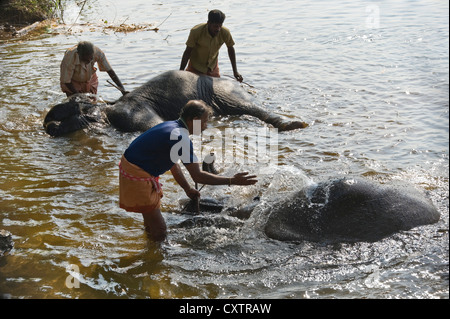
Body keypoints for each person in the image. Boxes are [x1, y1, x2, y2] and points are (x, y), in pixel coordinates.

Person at [119, 100, 257, 242]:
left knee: (151, 221)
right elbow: (198, 176)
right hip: (138, 174)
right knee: (160, 231)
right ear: (194, 120)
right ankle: (156, 258)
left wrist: (187, 188)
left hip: (131, 168)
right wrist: (232, 181)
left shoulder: (172, 126)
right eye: (204, 122)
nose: (205, 126)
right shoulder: (181, 138)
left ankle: (149, 245)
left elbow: (173, 164)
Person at [180, 10, 243, 82]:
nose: (218, 29)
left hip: (212, 67)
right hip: (195, 68)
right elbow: (187, 52)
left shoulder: (225, 32)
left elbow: (231, 49)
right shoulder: (196, 31)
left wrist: (235, 72)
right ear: (208, 23)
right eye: (215, 26)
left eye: (220, 26)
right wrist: (181, 72)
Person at [60, 41, 127, 97]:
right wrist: (78, 95)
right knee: (75, 102)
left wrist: (122, 90)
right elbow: (66, 81)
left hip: (90, 77)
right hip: (73, 81)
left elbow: (110, 71)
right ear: (79, 55)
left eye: (91, 58)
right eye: (85, 60)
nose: (89, 61)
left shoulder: (98, 53)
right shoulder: (69, 58)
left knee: (92, 102)